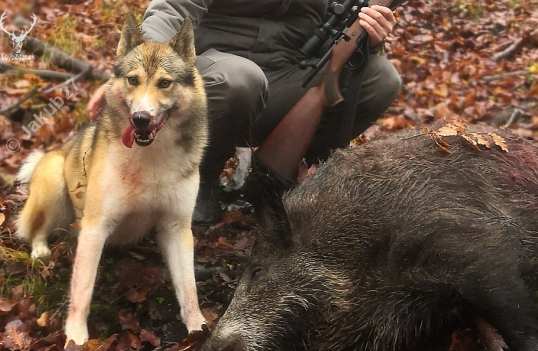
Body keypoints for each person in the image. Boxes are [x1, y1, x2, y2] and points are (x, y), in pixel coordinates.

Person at [89, 1, 401, 224]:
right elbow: (172, 8)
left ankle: (283, 176)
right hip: (211, 77)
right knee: (241, 78)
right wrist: (139, 73)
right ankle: (199, 180)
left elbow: (343, 30)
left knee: (382, 80)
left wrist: (369, 37)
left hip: (285, 77)